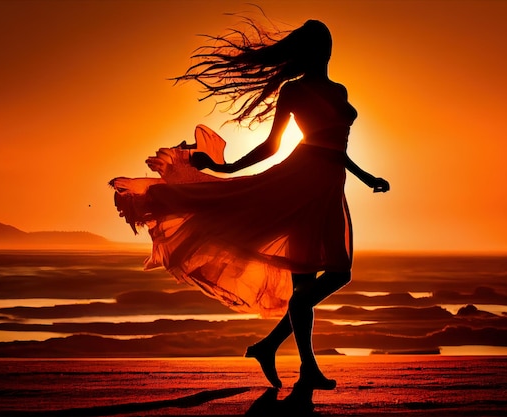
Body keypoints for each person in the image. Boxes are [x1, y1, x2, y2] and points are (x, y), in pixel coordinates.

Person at [110, 19, 389, 391]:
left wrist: (366, 177)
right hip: (300, 184)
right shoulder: (294, 91)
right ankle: (297, 362)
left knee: (329, 277)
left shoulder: (339, 90)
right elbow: (273, 146)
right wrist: (225, 169)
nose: (325, 49)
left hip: (329, 188)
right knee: (321, 279)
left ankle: (270, 347)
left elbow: (335, 149)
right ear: (311, 51)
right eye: (319, 44)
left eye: (326, 43)